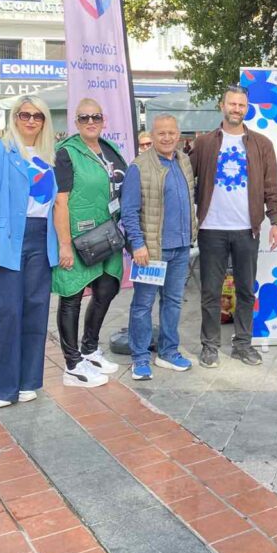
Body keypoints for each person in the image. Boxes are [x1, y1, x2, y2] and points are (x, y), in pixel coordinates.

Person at [190, 85, 277, 368]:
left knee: (245, 290)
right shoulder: (205, 143)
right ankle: (210, 346)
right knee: (210, 291)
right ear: (222, 106)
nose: (236, 109)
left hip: (247, 229)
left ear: (247, 108)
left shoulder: (261, 144)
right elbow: (186, 179)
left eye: (241, 105)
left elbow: (271, 186)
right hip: (211, 229)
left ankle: (243, 344)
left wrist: (275, 220)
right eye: (232, 104)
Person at [0, 96, 58, 408]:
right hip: (7, 240)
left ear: (44, 121)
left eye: (37, 116)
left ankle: (28, 380)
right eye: (24, 114)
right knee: (7, 312)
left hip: (41, 239)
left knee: (35, 310)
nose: (30, 120)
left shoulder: (48, 155)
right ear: (14, 117)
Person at [53, 99, 127, 387]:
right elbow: (61, 201)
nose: (90, 122)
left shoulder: (110, 149)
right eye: (84, 118)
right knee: (71, 296)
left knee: (106, 289)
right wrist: (64, 244)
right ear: (76, 122)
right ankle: (72, 364)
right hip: (78, 236)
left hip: (108, 234)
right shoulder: (66, 152)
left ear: (103, 119)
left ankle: (89, 349)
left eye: (95, 116)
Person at [121, 114, 196, 380]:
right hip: (152, 250)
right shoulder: (138, 167)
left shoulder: (183, 160)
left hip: (181, 247)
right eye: (161, 133)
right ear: (152, 136)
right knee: (143, 304)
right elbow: (128, 211)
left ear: (178, 135)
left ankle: (168, 352)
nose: (167, 138)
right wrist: (138, 245)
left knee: (173, 302)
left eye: (171, 133)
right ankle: (140, 358)